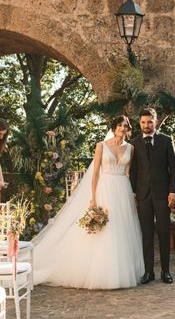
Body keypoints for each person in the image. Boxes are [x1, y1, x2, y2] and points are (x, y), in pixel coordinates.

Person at [33, 116, 144, 289]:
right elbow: (95, 174)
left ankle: (120, 272)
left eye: (125, 126)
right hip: (105, 187)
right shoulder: (101, 146)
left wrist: (132, 196)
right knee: (105, 227)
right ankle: (101, 272)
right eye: (119, 125)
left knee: (121, 228)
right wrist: (93, 197)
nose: (122, 128)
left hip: (122, 188)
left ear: (128, 129)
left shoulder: (131, 148)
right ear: (113, 128)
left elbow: (128, 173)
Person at [130, 108, 175, 285]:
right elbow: (133, 170)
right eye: (143, 122)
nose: (146, 125)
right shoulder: (134, 143)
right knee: (146, 234)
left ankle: (165, 271)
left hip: (162, 195)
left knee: (164, 232)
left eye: (149, 122)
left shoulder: (166, 140)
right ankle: (148, 272)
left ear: (156, 122)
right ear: (140, 123)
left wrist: (173, 191)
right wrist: (134, 193)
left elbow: (174, 168)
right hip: (143, 195)